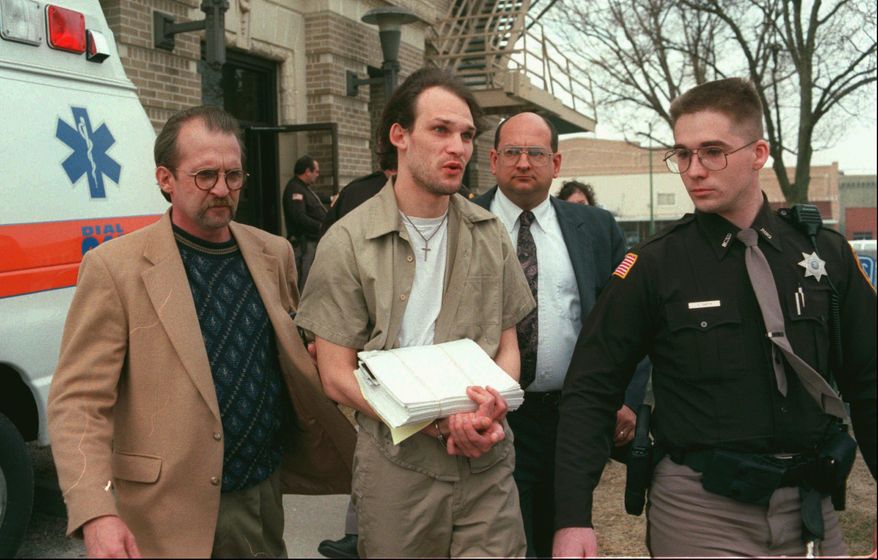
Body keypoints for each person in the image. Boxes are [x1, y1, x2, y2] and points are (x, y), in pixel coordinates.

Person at [553, 78, 876, 557]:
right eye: (682, 155)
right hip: (700, 510)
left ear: (758, 152)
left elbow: (869, 382)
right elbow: (590, 387)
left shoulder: (821, 254)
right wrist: (572, 519)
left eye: (712, 152)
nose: (694, 170)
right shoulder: (655, 266)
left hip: (811, 505)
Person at [47, 106, 356, 558]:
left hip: (262, 495)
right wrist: (96, 511)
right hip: (165, 511)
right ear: (165, 179)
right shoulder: (115, 268)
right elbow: (79, 402)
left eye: (234, 176)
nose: (222, 190)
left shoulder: (273, 254)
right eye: (205, 175)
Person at [295, 67, 535, 558]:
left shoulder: (491, 234)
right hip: (399, 467)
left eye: (466, 135)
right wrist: (439, 424)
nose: (458, 148)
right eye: (441, 130)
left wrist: (490, 410)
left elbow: (507, 348)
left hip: (488, 460)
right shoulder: (347, 240)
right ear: (399, 136)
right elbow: (336, 375)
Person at [472, 112, 644, 557]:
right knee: (501, 538)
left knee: (562, 534)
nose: (524, 162)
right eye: (512, 152)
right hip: (491, 416)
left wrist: (624, 396)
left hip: (571, 417)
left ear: (557, 161)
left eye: (536, 153)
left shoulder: (597, 229)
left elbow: (629, 321)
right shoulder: (463, 222)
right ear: (493, 160)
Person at [283, 154, 326, 287]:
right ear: (307, 171)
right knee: (306, 283)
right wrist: (321, 226)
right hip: (304, 244)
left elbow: (316, 199)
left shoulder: (303, 188)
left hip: (310, 243)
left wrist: (331, 199)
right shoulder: (295, 189)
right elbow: (299, 217)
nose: (318, 175)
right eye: (316, 171)